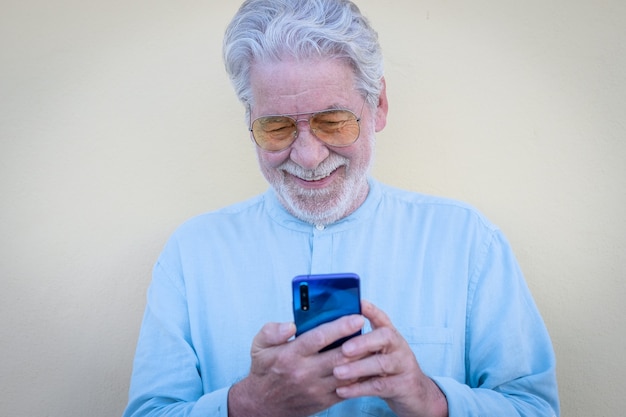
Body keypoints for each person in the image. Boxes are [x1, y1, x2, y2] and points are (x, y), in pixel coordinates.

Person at [122, 0, 560, 416]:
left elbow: (535, 408)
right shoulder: (190, 254)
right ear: (250, 121)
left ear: (379, 106)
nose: (309, 157)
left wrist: (428, 399)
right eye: (276, 127)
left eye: (333, 121)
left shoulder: (468, 242)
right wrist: (249, 406)